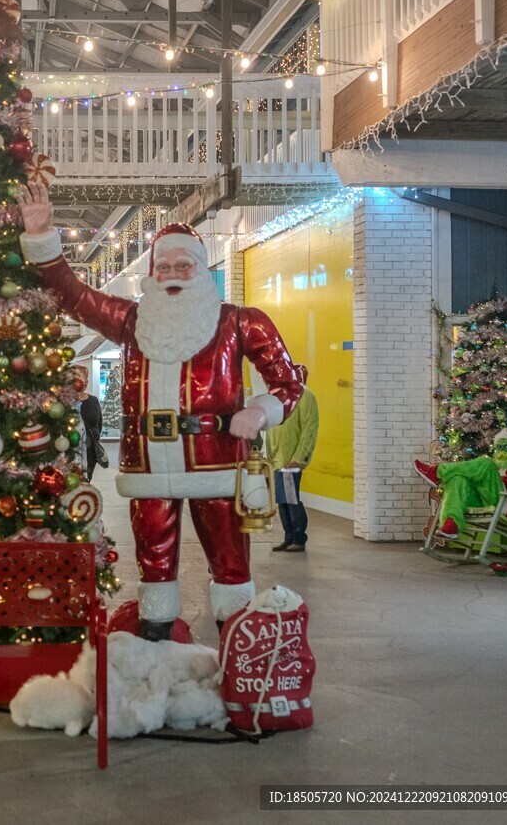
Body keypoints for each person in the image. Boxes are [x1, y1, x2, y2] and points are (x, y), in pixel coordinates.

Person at [17, 181, 303, 639]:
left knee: (230, 560)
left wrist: (261, 410)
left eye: (183, 265)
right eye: (163, 265)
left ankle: (238, 642)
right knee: (152, 556)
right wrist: (43, 236)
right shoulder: (132, 321)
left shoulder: (238, 322)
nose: (172, 272)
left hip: (218, 461)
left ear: (201, 269)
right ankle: (156, 635)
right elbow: (71, 295)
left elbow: (289, 382)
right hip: (148, 464)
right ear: (152, 271)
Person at [414, 429, 507, 538]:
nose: (502, 451)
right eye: (499, 447)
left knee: (486, 463)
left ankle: (436, 472)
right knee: (458, 478)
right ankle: (451, 525)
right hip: (482, 501)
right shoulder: (496, 467)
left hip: (504, 502)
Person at [266, 364, 319, 553]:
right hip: (279, 459)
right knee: (282, 499)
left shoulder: (306, 397)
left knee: (291, 498)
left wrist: (300, 458)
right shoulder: (281, 397)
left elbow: (309, 430)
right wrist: (270, 454)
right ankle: (289, 537)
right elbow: (274, 426)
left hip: (291, 461)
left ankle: (298, 537)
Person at [76, 369, 103, 482]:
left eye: (87, 378)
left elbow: (99, 424)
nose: (86, 381)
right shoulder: (67, 402)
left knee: (87, 480)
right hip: (74, 450)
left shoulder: (93, 400)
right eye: (83, 378)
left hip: (91, 451)